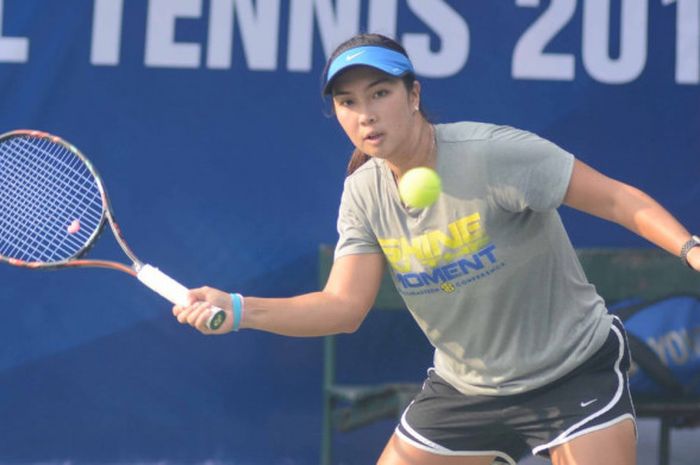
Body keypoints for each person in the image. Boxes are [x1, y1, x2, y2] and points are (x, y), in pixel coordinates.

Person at [172, 33, 700, 465]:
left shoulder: (492, 154)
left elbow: (614, 198)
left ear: (414, 95)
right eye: (348, 102)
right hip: (466, 389)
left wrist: (691, 248)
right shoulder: (362, 194)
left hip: (570, 372)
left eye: (380, 93)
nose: (366, 115)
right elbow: (343, 307)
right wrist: (238, 309)